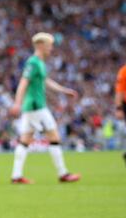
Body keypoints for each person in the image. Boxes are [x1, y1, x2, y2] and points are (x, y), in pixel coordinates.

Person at [9, 32, 81, 184]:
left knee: (25, 141)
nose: (51, 49)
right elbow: (23, 82)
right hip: (36, 105)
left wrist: (64, 90)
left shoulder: (39, 63)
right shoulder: (33, 63)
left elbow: (46, 81)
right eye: (49, 46)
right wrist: (17, 103)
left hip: (34, 106)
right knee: (54, 137)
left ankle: (16, 176)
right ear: (41, 46)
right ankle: (63, 173)